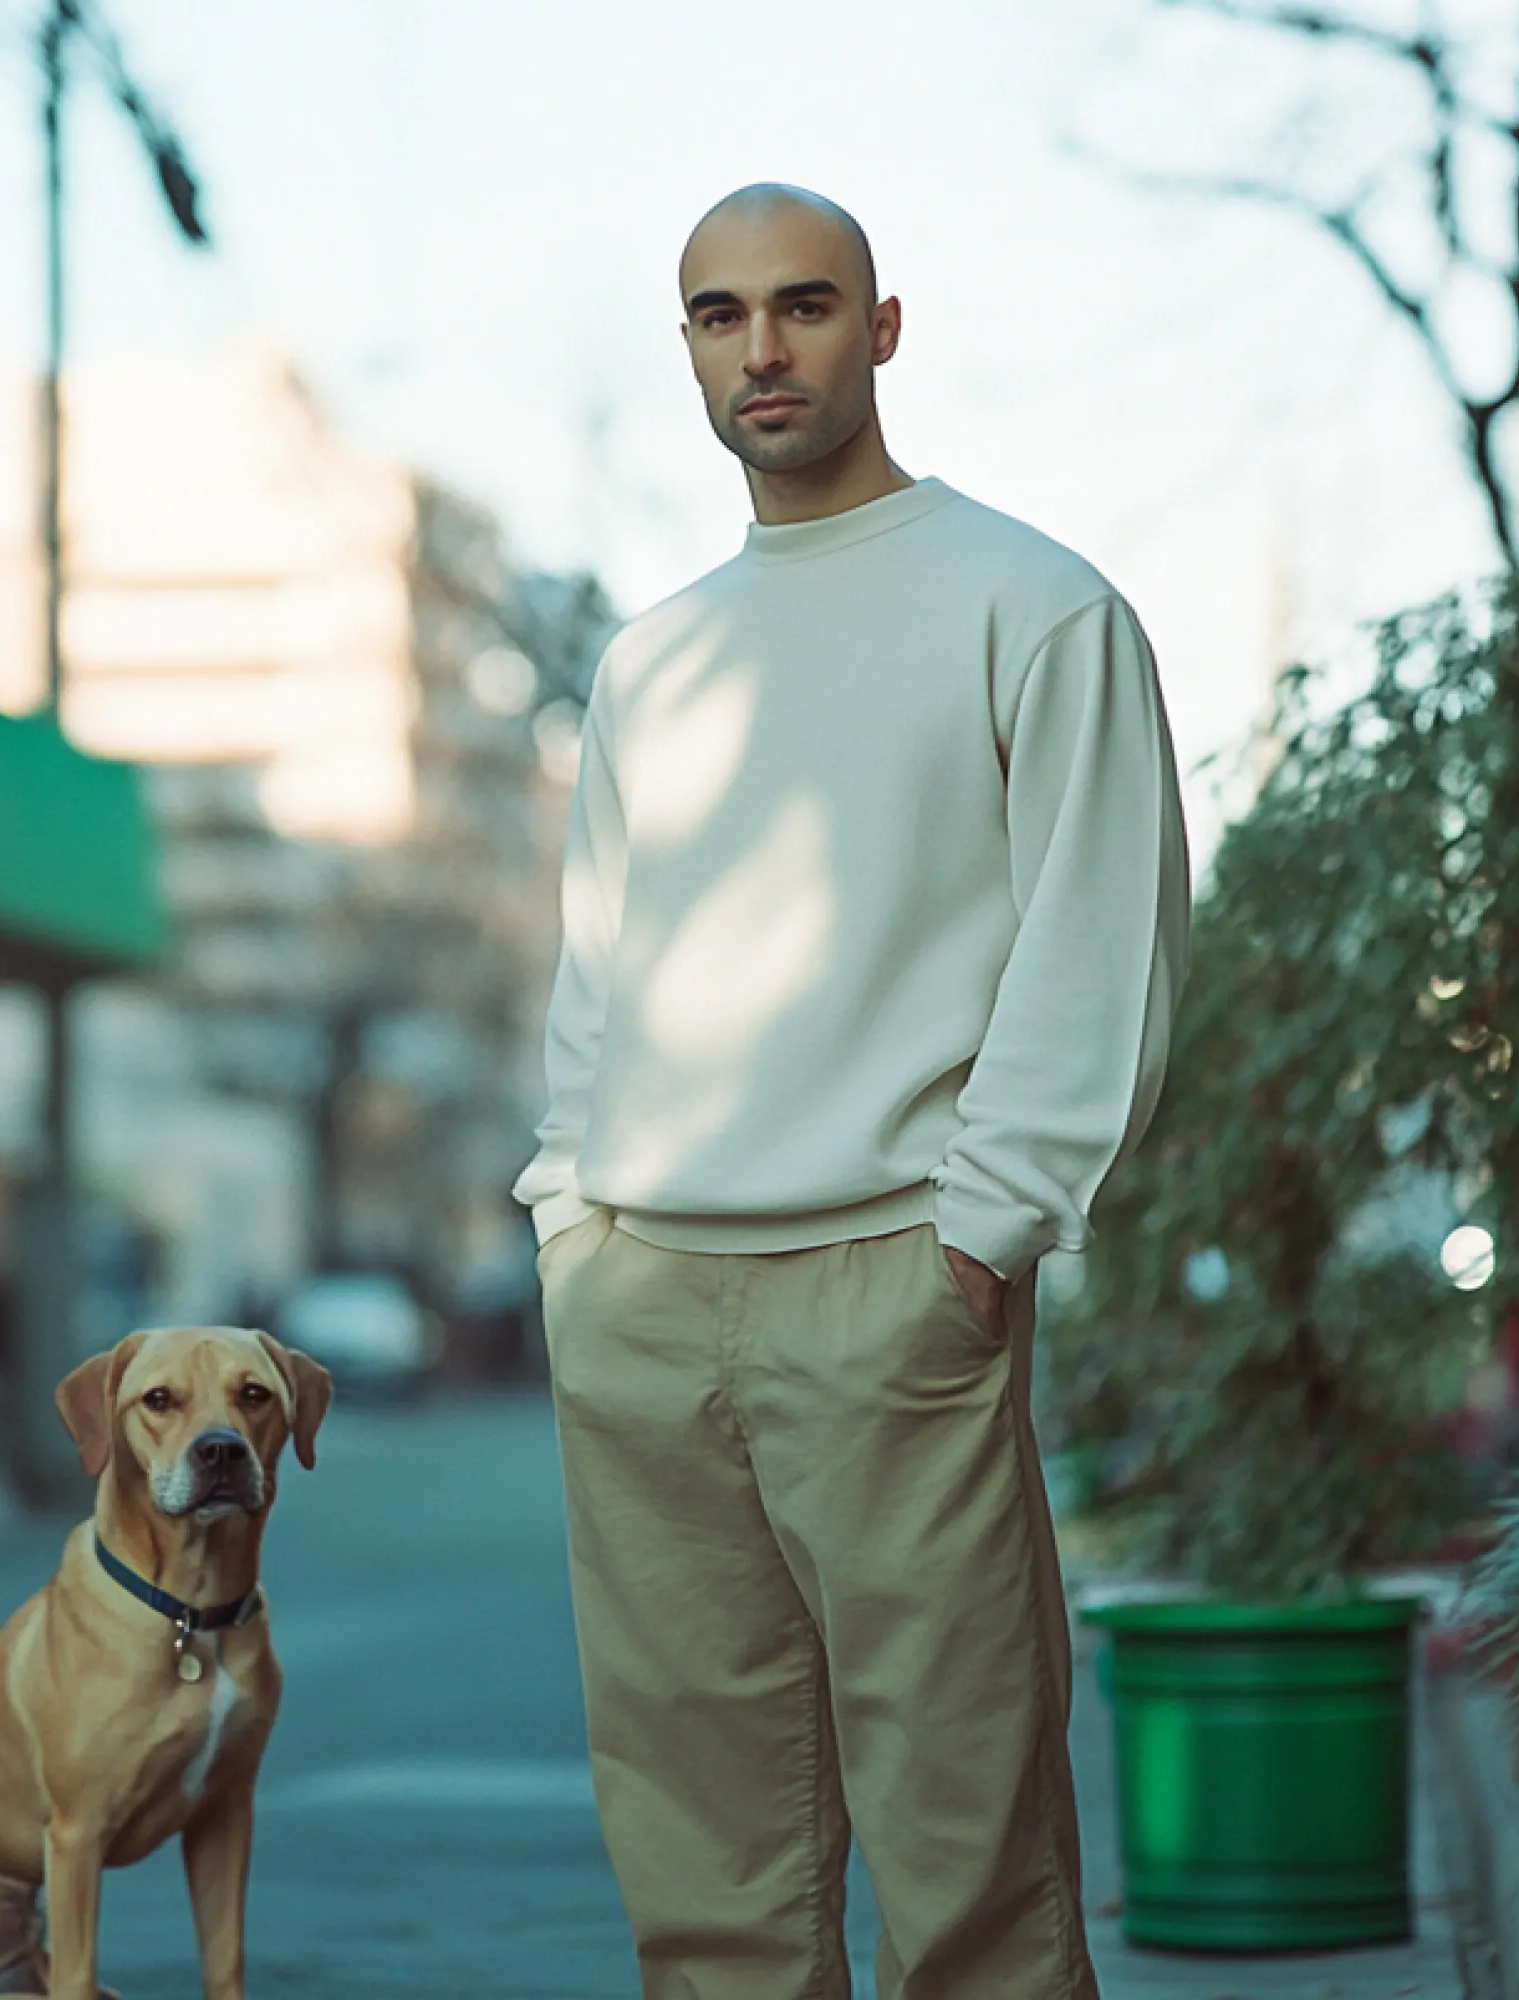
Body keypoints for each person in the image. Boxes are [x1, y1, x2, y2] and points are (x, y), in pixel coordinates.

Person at [515, 184, 1191, 2000]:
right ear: (691, 352)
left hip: (899, 1279)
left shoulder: (1036, 606)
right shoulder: (652, 660)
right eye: (721, 318)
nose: (764, 349)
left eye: (803, 306)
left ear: (882, 328)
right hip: (644, 1296)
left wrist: (988, 1231)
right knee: (698, 1854)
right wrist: (570, 1212)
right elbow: (601, 966)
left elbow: (1098, 936)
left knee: (967, 1843)